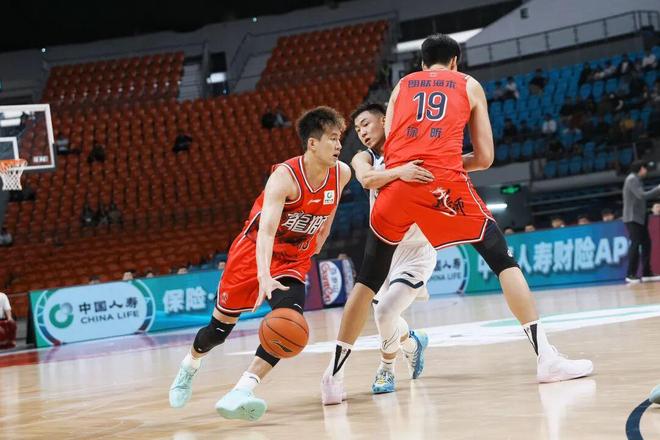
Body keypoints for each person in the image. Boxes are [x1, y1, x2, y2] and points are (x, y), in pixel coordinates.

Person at [321, 34, 593, 405]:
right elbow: (484, 158)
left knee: (366, 282)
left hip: (397, 186)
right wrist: (446, 162)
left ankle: (333, 378)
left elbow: (395, 149)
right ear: (454, 61)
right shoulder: (468, 85)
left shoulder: (401, 86)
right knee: (502, 261)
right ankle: (546, 357)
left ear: (421, 64)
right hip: (443, 185)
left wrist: (407, 169)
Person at [169, 107, 351, 421]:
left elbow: (329, 212)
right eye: (332, 139)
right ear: (312, 143)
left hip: (293, 257)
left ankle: (242, 390)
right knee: (217, 332)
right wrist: (264, 276)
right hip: (253, 252)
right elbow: (266, 230)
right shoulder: (284, 178)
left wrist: (317, 243)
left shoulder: (342, 173)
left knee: (287, 323)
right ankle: (190, 364)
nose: (338, 145)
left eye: (339, 139)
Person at [350, 102, 437, 394]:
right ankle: (412, 342)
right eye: (357, 129)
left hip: (416, 249)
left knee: (385, 312)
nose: (362, 132)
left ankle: (386, 369)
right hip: (384, 249)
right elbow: (366, 179)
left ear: (384, 120)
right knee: (385, 317)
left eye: (366, 124)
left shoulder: (413, 148)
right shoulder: (364, 157)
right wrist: (402, 172)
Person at [622, 160, 660, 283]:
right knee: (635, 243)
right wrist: (658, 188)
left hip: (639, 218)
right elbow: (642, 195)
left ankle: (646, 273)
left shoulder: (636, 179)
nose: (647, 171)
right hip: (632, 217)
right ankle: (630, 274)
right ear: (641, 168)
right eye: (645, 168)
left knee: (646, 243)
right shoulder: (632, 179)